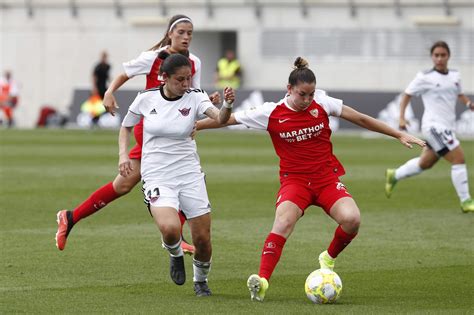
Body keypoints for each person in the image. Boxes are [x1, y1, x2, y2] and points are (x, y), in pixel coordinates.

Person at [196, 57, 425, 302]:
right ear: (289, 89)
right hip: (294, 182)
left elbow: (359, 118)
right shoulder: (270, 112)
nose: (307, 100)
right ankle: (262, 282)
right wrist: (194, 125)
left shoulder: (322, 102)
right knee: (283, 223)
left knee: (352, 220)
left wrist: (397, 134)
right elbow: (227, 119)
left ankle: (328, 258)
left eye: (311, 94)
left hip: (326, 179)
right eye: (302, 94)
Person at [56, 15, 220, 253]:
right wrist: (109, 92)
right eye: (181, 32)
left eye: (190, 33)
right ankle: (175, 235)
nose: (186, 37)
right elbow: (125, 73)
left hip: (179, 129)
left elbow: (193, 92)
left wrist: (208, 101)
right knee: (173, 176)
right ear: (170, 33)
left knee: (123, 185)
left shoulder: (194, 61)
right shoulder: (153, 57)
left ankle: (70, 217)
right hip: (153, 129)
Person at [119, 52, 234, 296]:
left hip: (189, 174)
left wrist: (226, 105)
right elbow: (126, 126)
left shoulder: (195, 97)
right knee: (170, 229)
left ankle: (200, 281)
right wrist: (123, 156)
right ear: (164, 78)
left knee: (202, 239)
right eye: (180, 80)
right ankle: (175, 253)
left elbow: (220, 118)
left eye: (188, 79)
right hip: (157, 175)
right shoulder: (146, 99)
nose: (185, 84)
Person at [385, 41, 474, 213]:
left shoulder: (455, 75)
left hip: (447, 127)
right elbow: (407, 95)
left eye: (443, 55)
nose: (439, 58)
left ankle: (394, 175)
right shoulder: (424, 77)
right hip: (433, 127)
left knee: (425, 163)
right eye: (436, 55)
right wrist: (402, 117)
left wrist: (469, 103)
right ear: (432, 57)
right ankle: (466, 201)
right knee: (458, 158)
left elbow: (459, 93)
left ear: (449, 56)